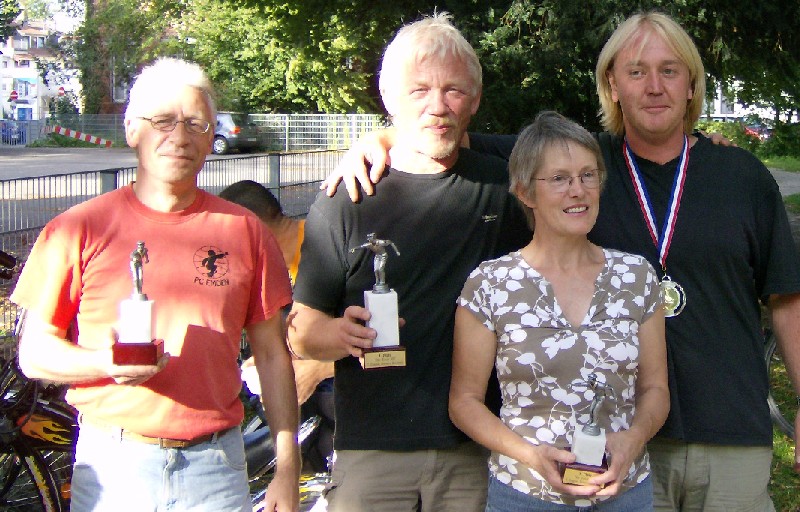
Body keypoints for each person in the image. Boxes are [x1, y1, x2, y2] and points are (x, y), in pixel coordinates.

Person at [325, 11, 800, 511]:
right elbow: (446, 132)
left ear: (692, 84)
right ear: (612, 84)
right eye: (636, 71)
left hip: (729, 430)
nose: (654, 86)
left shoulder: (743, 177)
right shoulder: (580, 162)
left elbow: (785, 296)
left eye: (670, 71)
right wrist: (381, 139)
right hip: (623, 455)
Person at [12, 58, 300, 512]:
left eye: (195, 123)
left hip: (217, 472)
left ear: (211, 137)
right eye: (162, 121)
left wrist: (287, 467)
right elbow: (34, 354)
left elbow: (271, 355)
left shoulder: (244, 232)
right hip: (113, 468)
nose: (179, 137)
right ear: (131, 130)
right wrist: (107, 363)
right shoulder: (77, 230)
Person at [286, 12, 530, 512]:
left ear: (475, 101)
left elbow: (594, 158)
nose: (437, 106)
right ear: (389, 101)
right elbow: (302, 331)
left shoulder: (506, 188)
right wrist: (341, 335)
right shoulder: (346, 198)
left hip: (474, 451)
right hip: (372, 453)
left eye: (454, 91)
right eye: (418, 91)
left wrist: (697, 144)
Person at [450, 111, 669, 511]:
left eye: (588, 176)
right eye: (559, 179)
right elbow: (464, 402)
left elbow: (655, 389)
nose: (578, 190)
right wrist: (531, 456)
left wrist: (634, 438)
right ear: (525, 192)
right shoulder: (491, 284)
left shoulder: (636, 277)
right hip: (525, 494)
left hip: (623, 493)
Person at [220, 179, 335, 471]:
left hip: (346, 394)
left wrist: (319, 368)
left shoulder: (328, 245)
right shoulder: (265, 267)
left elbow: (386, 338)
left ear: (251, 226)